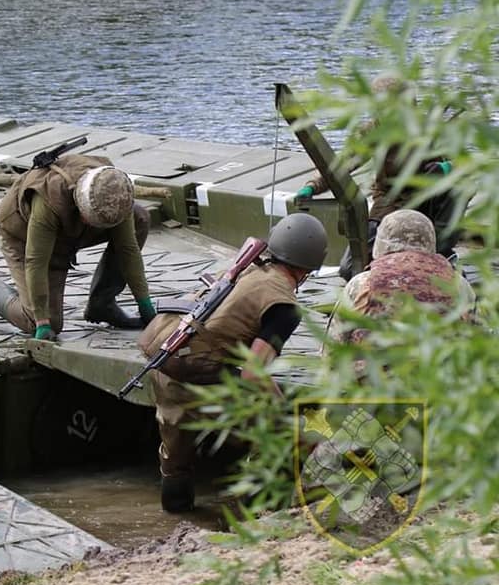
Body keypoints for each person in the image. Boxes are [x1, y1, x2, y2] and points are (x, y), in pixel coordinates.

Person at [137, 212, 328, 512]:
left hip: (168, 361)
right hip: (204, 369)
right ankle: (254, 515)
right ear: (309, 265)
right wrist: (286, 417)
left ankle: (176, 514)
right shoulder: (284, 307)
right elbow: (254, 373)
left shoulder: (248, 269)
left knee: (175, 458)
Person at [0, 154, 156, 339]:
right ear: (80, 204)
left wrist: (144, 303)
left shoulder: (116, 193)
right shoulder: (49, 202)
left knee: (140, 218)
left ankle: (102, 304)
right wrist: (42, 321)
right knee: (40, 322)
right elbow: (36, 261)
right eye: (88, 219)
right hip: (23, 237)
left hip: (69, 232)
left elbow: (127, 249)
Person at [295, 73, 464, 281]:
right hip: (389, 205)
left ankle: (443, 254)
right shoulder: (373, 130)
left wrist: (448, 168)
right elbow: (342, 163)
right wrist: (313, 185)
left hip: (426, 204)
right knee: (351, 269)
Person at [329, 209, 475, 348]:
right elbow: (476, 339)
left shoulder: (361, 283)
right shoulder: (459, 285)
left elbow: (335, 345)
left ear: (381, 241)